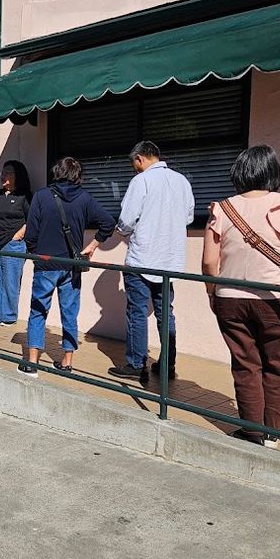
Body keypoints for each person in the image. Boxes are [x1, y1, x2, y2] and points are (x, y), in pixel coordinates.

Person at [202, 144, 280, 447]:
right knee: (277, 363)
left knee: (245, 364)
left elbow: (209, 263)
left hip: (229, 297)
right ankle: (271, 435)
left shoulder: (221, 208)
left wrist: (212, 292)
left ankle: (251, 433)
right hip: (274, 297)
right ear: (272, 171)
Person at [109, 140, 195, 383]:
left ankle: (136, 364)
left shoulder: (141, 181)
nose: (134, 168)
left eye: (134, 164)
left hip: (142, 258)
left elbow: (127, 219)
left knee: (137, 311)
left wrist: (122, 231)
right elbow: (189, 217)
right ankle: (167, 364)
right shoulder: (182, 181)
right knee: (165, 313)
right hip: (170, 259)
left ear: (140, 158)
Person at [20, 156, 115, 375]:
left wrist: (35, 253)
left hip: (46, 264)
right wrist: (92, 246)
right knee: (69, 313)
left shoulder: (41, 196)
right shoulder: (84, 198)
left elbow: (31, 233)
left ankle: (32, 362)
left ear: (57, 172)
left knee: (38, 311)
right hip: (72, 265)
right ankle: (67, 362)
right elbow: (108, 222)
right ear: (77, 175)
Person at [0, 160, 32, 325]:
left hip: (12, 245)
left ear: (17, 176)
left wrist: (17, 236)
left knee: (10, 283)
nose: (3, 176)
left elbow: (31, 220)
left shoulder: (24, 196)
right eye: (2, 172)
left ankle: (9, 317)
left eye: (8, 173)